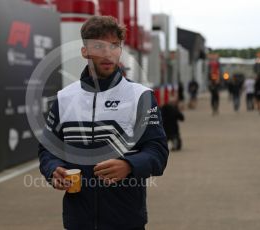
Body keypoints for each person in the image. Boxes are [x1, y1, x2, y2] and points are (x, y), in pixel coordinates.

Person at [38, 16, 169, 230]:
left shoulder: (140, 96)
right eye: (98, 46)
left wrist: (129, 166)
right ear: (84, 52)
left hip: (126, 220)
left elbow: (158, 151)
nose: (108, 53)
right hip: (77, 221)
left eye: (114, 46)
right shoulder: (64, 98)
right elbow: (48, 148)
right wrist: (53, 170)